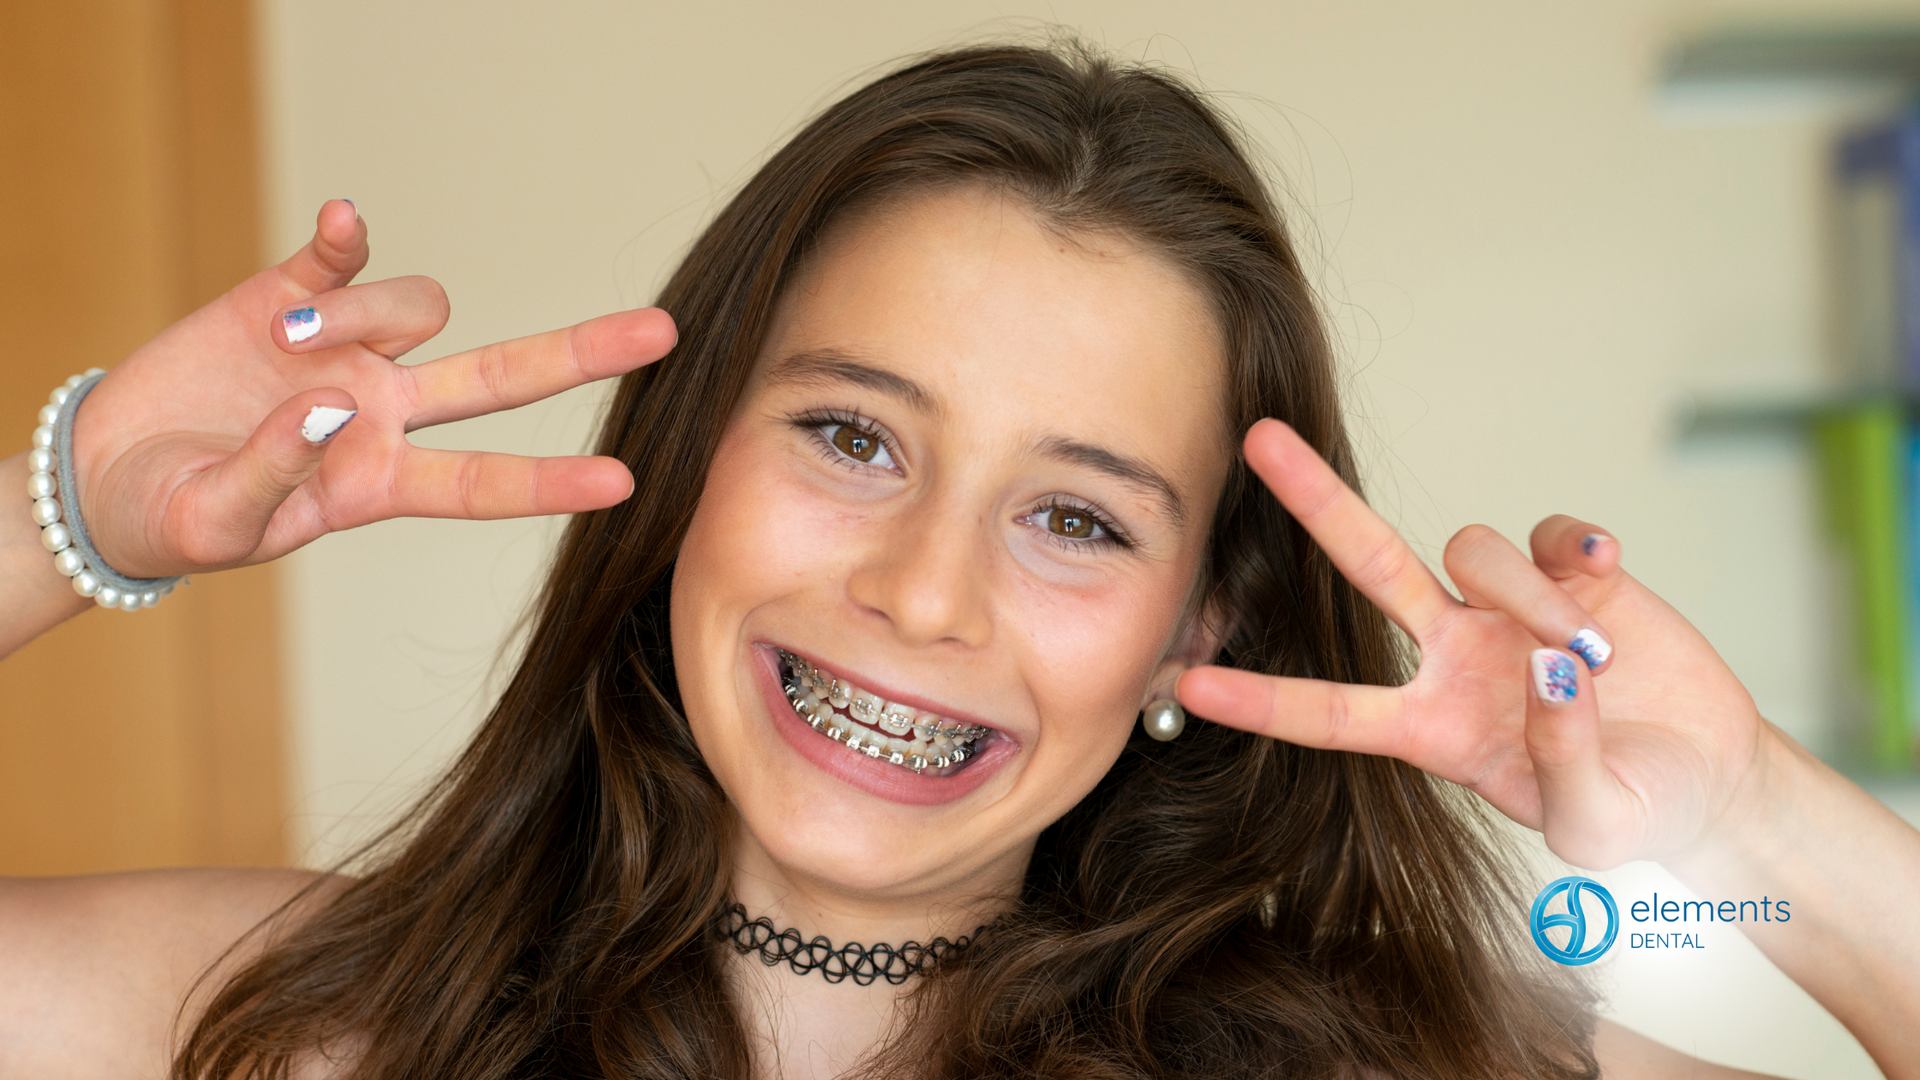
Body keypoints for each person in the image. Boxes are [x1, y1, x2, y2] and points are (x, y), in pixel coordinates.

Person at [2, 42, 1916, 1080]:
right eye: (850, 438)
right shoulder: (281, 1021)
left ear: (1203, 625)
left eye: (1077, 518)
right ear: (683, 474)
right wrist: (65, 505)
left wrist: (1750, 822)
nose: (925, 594)